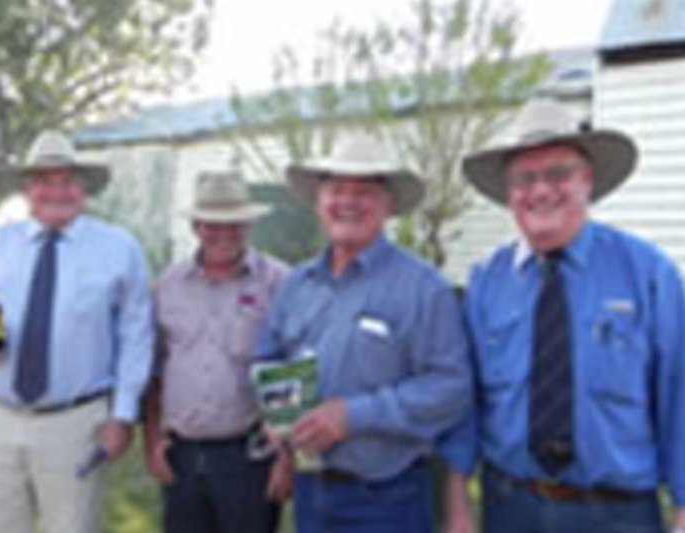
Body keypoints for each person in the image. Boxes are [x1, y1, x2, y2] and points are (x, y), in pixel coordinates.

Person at [442, 98, 685, 533]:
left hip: (618, 513)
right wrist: (457, 501)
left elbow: (679, 396)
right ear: (508, 193)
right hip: (510, 507)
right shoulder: (485, 283)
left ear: (587, 181)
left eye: (557, 174)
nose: (540, 191)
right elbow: (466, 402)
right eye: (524, 178)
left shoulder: (648, 274)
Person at [256, 134, 471, 532]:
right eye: (336, 189)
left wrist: (352, 416)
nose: (348, 202)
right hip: (310, 489)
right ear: (319, 202)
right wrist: (278, 414)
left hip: (388, 498)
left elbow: (450, 388)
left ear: (388, 204)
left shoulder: (424, 288)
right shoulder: (296, 284)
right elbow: (269, 355)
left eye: (364, 191)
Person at [0, 130, 153, 533]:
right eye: (44, 180)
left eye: (68, 180)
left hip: (75, 424)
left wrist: (123, 415)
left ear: (84, 187)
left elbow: (136, 339)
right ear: (27, 188)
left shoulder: (119, 249)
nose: (57, 190)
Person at [142, 171, 291, 533]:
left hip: (250, 454)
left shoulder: (279, 283)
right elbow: (153, 371)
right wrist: (150, 442)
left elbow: (292, 372)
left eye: (234, 224)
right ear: (195, 226)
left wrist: (287, 458)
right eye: (213, 224)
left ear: (249, 225)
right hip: (182, 455)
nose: (224, 234)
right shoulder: (167, 287)